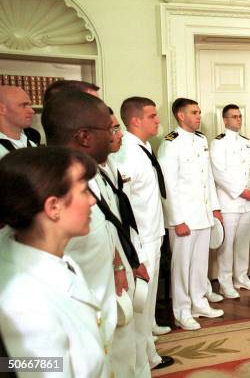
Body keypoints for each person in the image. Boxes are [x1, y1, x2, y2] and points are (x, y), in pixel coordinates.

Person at [42, 91, 159, 375]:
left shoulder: (95, 172)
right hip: (82, 327)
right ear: (84, 136)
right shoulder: (48, 186)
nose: (114, 136)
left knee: (127, 359)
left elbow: (111, 226)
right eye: (109, 129)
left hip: (113, 302)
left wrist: (122, 262)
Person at [0, 147, 108, 377]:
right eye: (83, 191)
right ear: (53, 207)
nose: (93, 200)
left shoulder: (53, 258)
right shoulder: (25, 304)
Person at [114, 97, 174, 368]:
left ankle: (148, 335)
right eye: (152, 116)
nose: (158, 120)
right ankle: (146, 358)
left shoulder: (143, 147)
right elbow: (123, 205)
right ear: (136, 120)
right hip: (141, 239)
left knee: (147, 303)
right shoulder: (126, 151)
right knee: (140, 303)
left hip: (153, 232)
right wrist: (134, 252)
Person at [158, 98, 224, 331]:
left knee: (199, 265)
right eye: (194, 112)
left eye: (199, 112)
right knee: (182, 267)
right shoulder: (170, 143)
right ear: (181, 116)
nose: (199, 116)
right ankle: (181, 311)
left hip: (203, 215)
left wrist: (214, 209)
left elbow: (208, 179)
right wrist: (177, 220)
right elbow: (167, 185)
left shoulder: (201, 140)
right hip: (184, 218)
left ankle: (199, 302)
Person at [210, 104, 250, 298]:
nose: (238, 120)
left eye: (240, 116)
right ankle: (225, 282)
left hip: (248, 202)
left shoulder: (247, 143)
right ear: (225, 120)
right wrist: (240, 191)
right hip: (229, 202)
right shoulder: (218, 143)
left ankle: (241, 277)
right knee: (227, 244)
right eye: (234, 116)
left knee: (243, 242)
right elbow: (218, 173)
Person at [0, 85, 39, 159]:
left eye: (30, 105)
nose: (32, 111)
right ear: (1, 109)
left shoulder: (32, 145)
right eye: (24, 105)